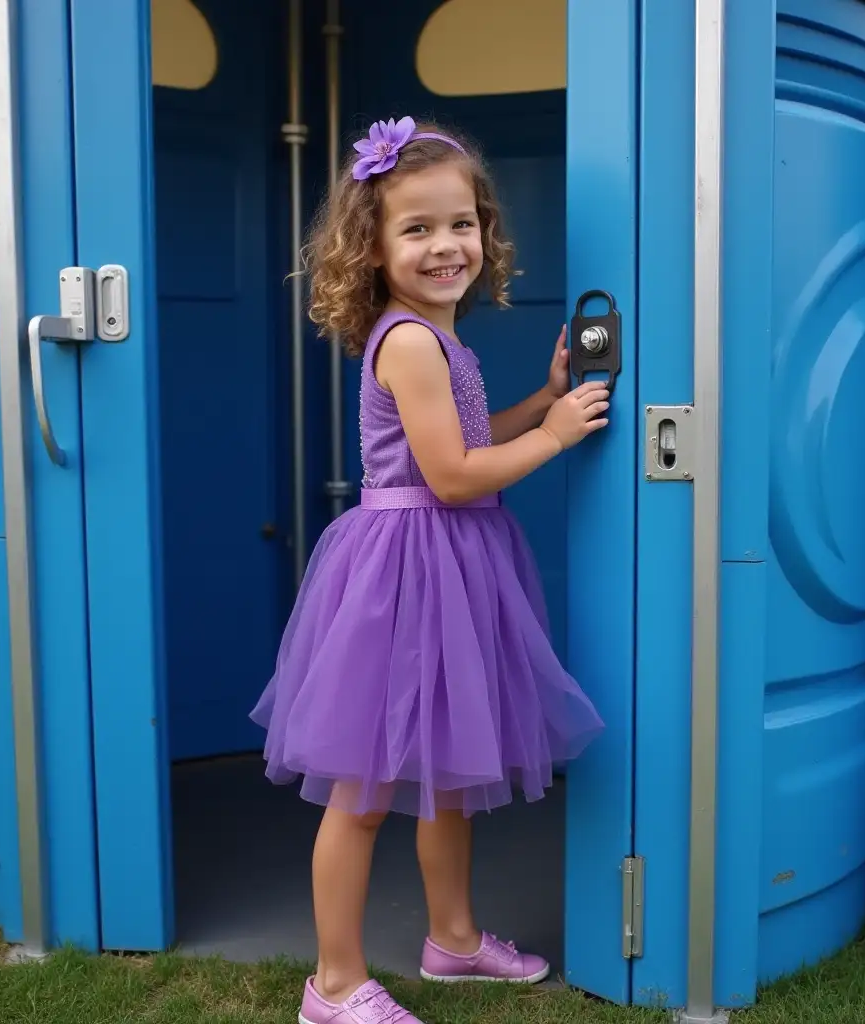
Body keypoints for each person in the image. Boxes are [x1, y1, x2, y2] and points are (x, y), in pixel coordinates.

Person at [250, 116, 608, 1024]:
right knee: (364, 792)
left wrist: (543, 398)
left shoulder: (440, 337)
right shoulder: (409, 341)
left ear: (485, 230)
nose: (446, 246)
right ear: (370, 246)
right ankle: (332, 986)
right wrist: (560, 438)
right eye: (416, 229)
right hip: (403, 576)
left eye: (462, 223)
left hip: (446, 571)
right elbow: (450, 477)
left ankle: (452, 941)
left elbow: (461, 440)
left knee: (449, 772)